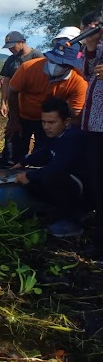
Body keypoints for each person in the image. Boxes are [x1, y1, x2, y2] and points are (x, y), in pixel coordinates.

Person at [6, 27, 87, 163]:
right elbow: (12, 92)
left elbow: (75, 115)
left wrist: (64, 136)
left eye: (62, 64)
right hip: (22, 115)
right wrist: (14, 120)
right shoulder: (29, 68)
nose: (56, 66)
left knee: (42, 155)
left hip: (50, 122)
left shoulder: (79, 81)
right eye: (54, 61)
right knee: (14, 153)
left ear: (71, 65)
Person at [13, 97, 86, 237]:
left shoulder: (73, 138)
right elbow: (46, 151)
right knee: (39, 180)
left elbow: (58, 168)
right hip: (70, 181)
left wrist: (28, 176)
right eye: (44, 122)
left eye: (51, 122)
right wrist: (24, 162)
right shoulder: (56, 134)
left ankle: (71, 221)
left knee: (49, 178)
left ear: (67, 122)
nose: (46, 126)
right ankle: (59, 212)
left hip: (84, 188)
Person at [0, 31, 43, 164]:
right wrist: (3, 102)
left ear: (22, 42)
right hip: (16, 106)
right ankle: (10, 163)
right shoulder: (11, 59)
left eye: (13, 46)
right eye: (9, 47)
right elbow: (6, 81)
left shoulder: (37, 56)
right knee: (13, 135)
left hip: (35, 106)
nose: (11, 50)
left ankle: (35, 164)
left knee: (39, 138)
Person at [81, 21, 103, 252]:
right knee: (97, 184)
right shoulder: (99, 47)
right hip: (95, 126)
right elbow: (87, 72)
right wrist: (92, 43)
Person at [80, 10, 103, 79]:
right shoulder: (83, 50)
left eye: (83, 29)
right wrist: (91, 43)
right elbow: (89, 74)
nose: (81, 33)